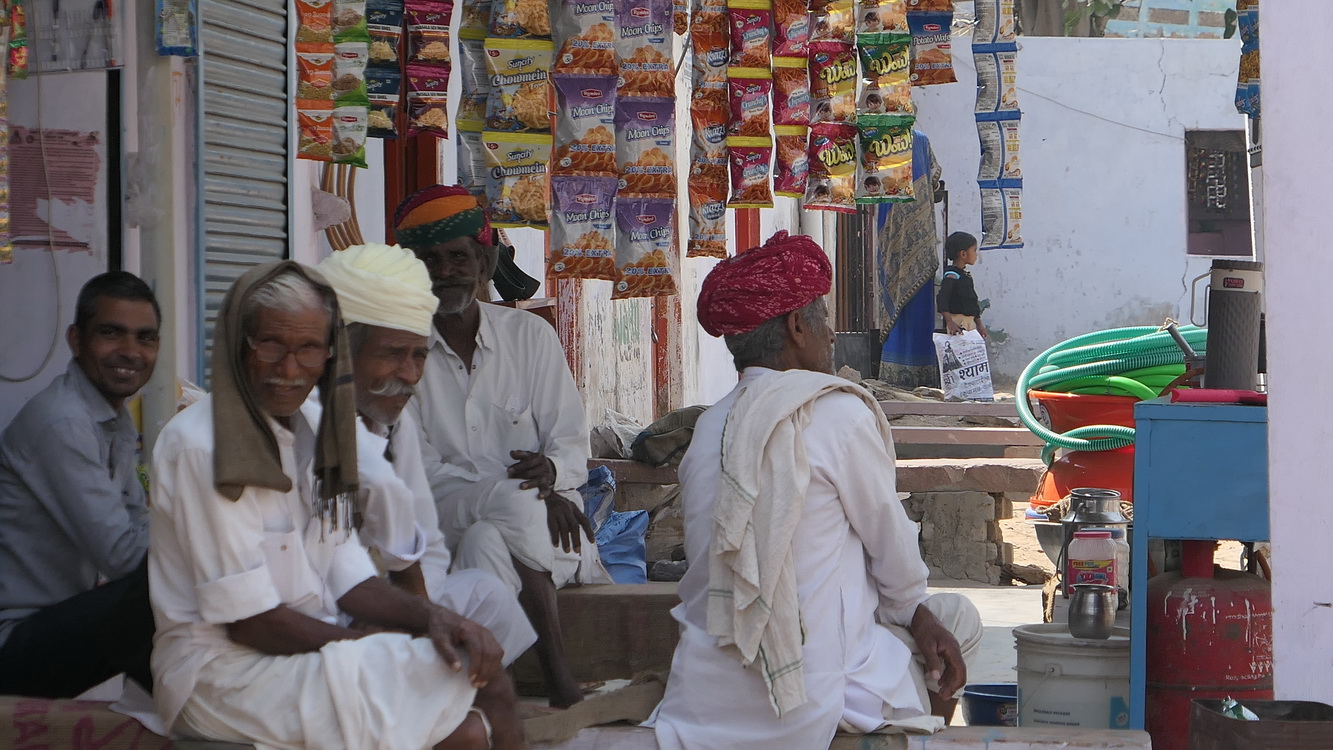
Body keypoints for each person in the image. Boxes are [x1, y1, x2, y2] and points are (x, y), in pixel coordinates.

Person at [148, 262, 525, 750]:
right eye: (271, 346)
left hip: (301, 652)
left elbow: (347, 575)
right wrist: (375, 648)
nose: (288, 370)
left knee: (480, 670)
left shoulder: (312, 425)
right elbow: (249, 621)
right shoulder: (201, 447)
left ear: (329, 356)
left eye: (307, 349)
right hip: (222, 674)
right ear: (240, 346)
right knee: (467, 724)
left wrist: (435, 619)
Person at [650, 232, 983, 750]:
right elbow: (894, 557)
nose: (832, 337)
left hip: (701, 692)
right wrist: (915, 613)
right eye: (823, 319)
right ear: (796, 327)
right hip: (809, 693)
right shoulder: (837, 412)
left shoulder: (710, 427)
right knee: (956, 618)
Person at [394, 185, 608, 709]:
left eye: (458, 257)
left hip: (523, 522)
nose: (446, 271)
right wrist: (540, 493)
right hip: (454, 511)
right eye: (431, 261)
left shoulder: (530, 337)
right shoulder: (402, 350)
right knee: (510, 505)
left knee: (487, 541)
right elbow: (423, 474)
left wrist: (554, 476)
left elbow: (570, 443)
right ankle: (560, 682)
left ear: (485, 262)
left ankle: (479, 698)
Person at [315, 242, 537, 663]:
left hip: (386, 606)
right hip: (320, 618)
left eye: (419, 356)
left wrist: (416, 615)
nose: (410, 376)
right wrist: (403, 617)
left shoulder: (396, 430)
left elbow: (427, 548)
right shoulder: (305, 431)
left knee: (488, 595)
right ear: (342, 354)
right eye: (391, 355)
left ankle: (455, 695)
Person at [0, 271, 160, 698]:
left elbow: (136, 521)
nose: (130, 352)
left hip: (57, 625)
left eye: (146, 338)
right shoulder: (63, 422)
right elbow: (124, 557)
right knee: (159, 593)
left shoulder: (111, 417)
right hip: (15, 642)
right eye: (112, 333)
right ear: (76, 340)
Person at [936, 231, 987, 338]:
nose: (976, 255)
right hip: (958, 323)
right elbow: (942, 299)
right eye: (974, 250)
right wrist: (949, 322)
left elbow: (972, 302)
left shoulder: (965, 275)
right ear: (963, 254)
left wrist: (979, 325)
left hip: (969, 322)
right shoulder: (952, 276)